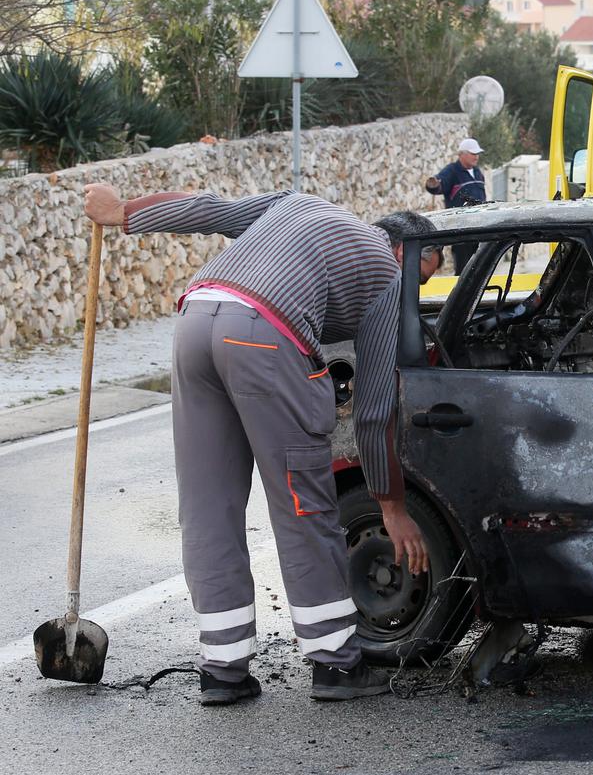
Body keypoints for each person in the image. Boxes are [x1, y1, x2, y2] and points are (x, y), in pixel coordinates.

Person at [80, 184, 441, 706]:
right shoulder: (388, 277)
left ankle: (222, 670)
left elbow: (210, 208)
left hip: (195, 319)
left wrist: (123, 212)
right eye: (423, 276)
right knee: (302, 503)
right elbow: (375, 406)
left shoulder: (298, 204)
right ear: (405, 251)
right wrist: (391, 504)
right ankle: (337, 664)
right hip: (265, 337)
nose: (416, 291)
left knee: (207, 506)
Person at [425, 137, 487, 272]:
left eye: (477, 154)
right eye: (473, 153)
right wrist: (433, 184)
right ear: (462, 154)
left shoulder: (478, 172)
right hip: (462, 229)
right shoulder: (452, 171)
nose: (476, 157)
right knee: (463, 267)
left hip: (480, 227)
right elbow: (439, 185)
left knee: (480, 267)